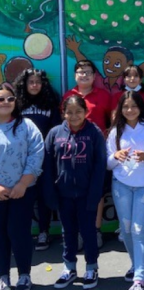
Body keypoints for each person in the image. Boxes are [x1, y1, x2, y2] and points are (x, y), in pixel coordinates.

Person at [44, 96, 106, 289]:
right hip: (64, 195)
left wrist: (95, 195)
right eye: (69, 112)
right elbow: (47, 166)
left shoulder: (94, 133)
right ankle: (69, 268)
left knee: (88, 233)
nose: (74, 116)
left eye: (78, 111)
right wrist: (50, 193)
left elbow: (100, 166)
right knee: (68, 233)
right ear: (63, 113)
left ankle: (91, 268)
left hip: (87, 195)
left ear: (86, 112)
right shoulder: (55, 133)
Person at [107, 91, 144, 290]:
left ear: (140, 108)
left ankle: (139, 277)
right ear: (120, 109)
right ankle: (135, 265)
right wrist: (116, 156)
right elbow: (107, 163)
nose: (129, 110)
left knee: (139, 230)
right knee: (126, 230)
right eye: (125, 107)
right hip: (121, 186)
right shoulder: (116, 131)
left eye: (133, 106)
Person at [62, 60, 111, 248]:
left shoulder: (103, 95)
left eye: (88, 72)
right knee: (74, 192)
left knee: (96, 192)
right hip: (73, 152)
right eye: (81, 72)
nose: (84, 75)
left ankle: (95, 230)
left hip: (96, 152)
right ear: (75, 75)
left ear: (94, 76)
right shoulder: (68, 96)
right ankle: (79, 232)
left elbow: (111, 120)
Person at [0, 84, 44, 290]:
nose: (6, 103)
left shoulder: (27, 125)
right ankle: (3, 276)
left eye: (10, 99)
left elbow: (36, 154)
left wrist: (23, 184)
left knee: (19, 233)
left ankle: (24, 274)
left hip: (23, 191)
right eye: (1, 99)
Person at [13, 68, 61, 251]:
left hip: (45, 156)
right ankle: (21, 234)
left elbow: (56, 129)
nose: (34, 85)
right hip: (20, 158)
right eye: (31, 82)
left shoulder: (50, 103)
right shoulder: (17, 104)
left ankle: (43, 231)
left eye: (38, 82)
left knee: (43, 196)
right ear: (24, 84)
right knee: (23, 195)